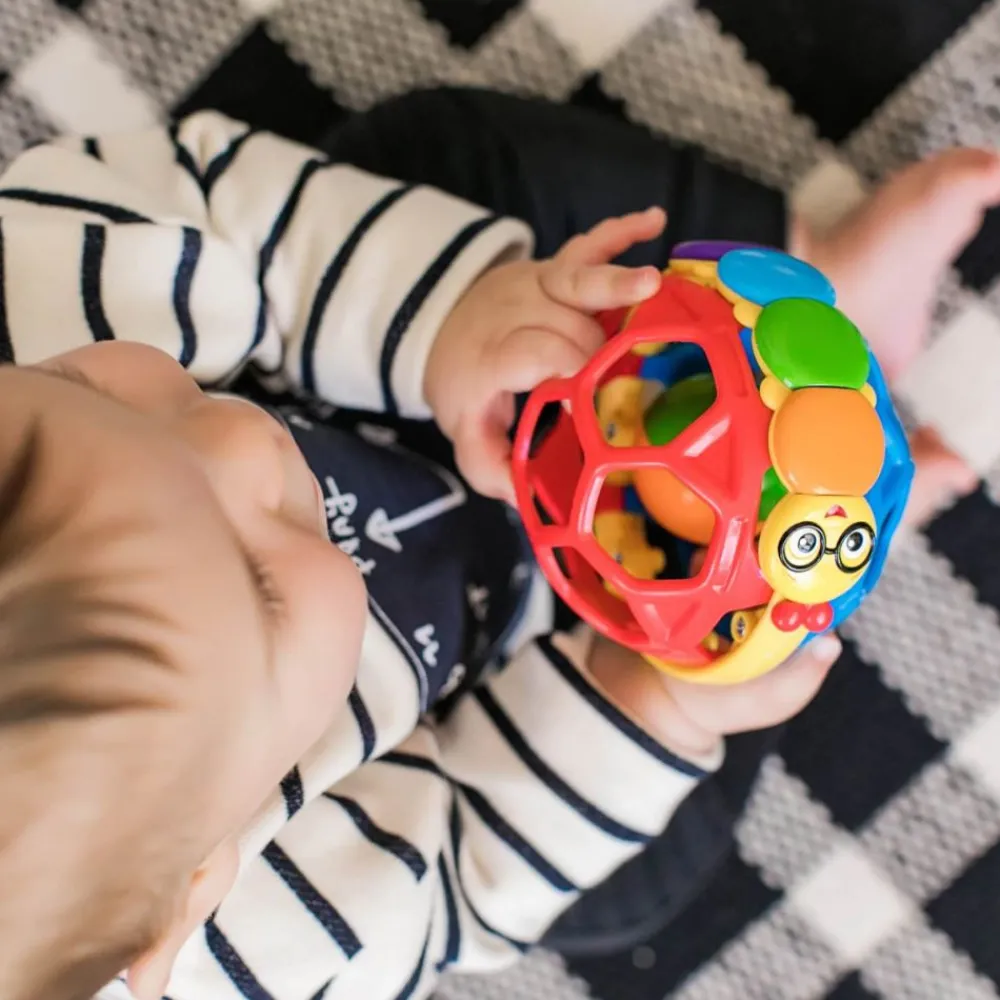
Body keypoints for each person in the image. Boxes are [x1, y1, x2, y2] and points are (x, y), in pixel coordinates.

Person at [0, 87, 995, 1000]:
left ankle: (812, 285)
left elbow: (201, 202)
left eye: (88, 394)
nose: (239, 438)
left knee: (443, 149)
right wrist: (647, 705)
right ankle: (820, 534)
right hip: (554, 659)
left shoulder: (34, 280)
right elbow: (459, 874)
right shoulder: (271, 947)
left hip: (460, 356)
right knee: (637, 879)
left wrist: (447, 321)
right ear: (200, 876)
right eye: (255, 583)